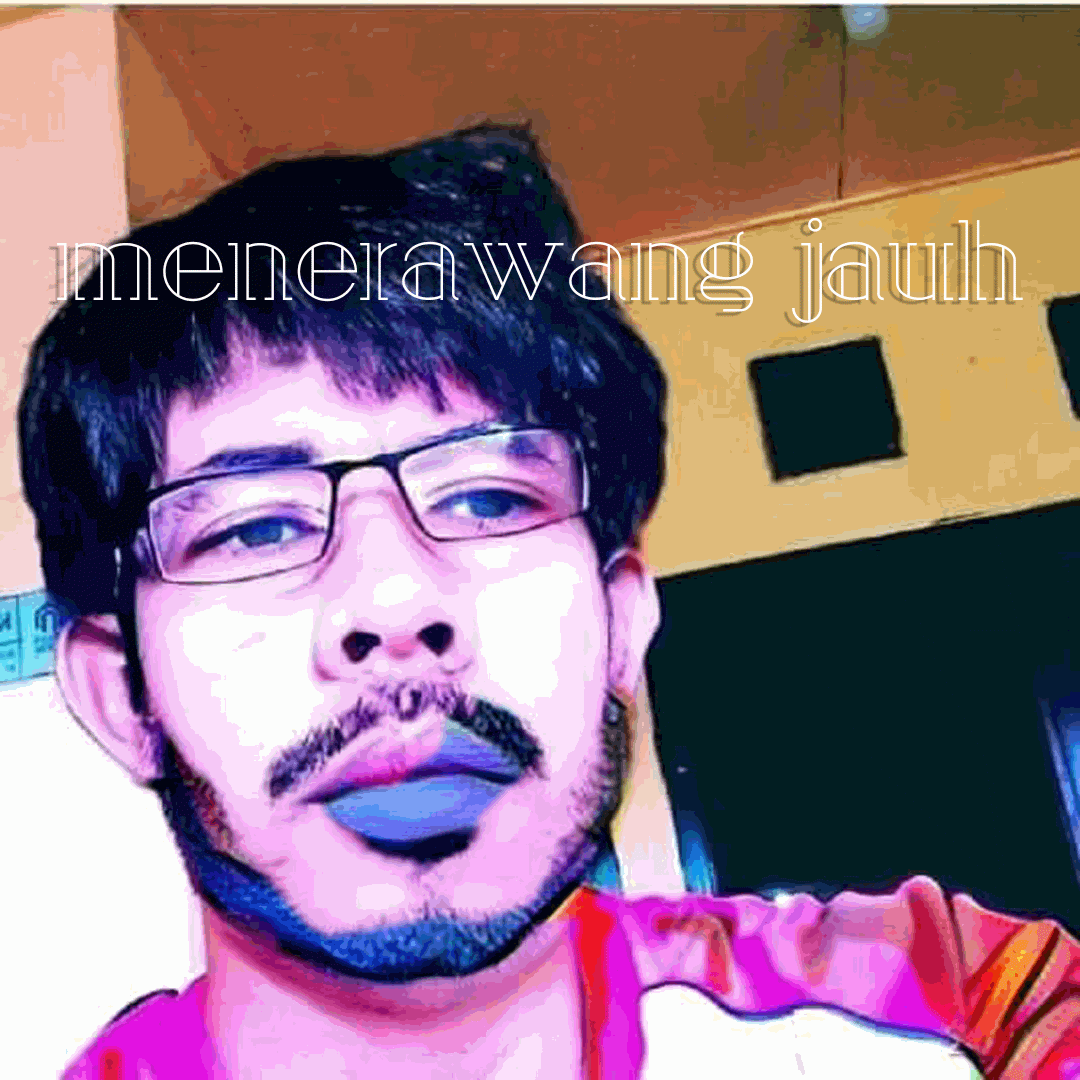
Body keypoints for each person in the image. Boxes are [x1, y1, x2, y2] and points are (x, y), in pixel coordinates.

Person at [20, 127, 1080, 1079]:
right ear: (121, 698)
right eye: (256, 528)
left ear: (622, 622)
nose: (395, 600)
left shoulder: (949, 998)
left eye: (488, 498)